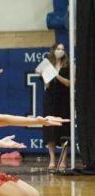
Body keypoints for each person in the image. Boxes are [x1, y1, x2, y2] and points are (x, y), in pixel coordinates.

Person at [42, 42, 71, 170]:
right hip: (50, 100)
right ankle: (52, 159)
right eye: (58, 49)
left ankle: (64, 160)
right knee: (50, 129)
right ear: (53, 50)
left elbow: (69, 83)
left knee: (64, 129)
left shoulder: (68, 65)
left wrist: (56, 74)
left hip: (64, 100)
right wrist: (46, 75)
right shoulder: (47, 64)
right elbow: (46, 85)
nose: (60, 51)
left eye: (62, 49)